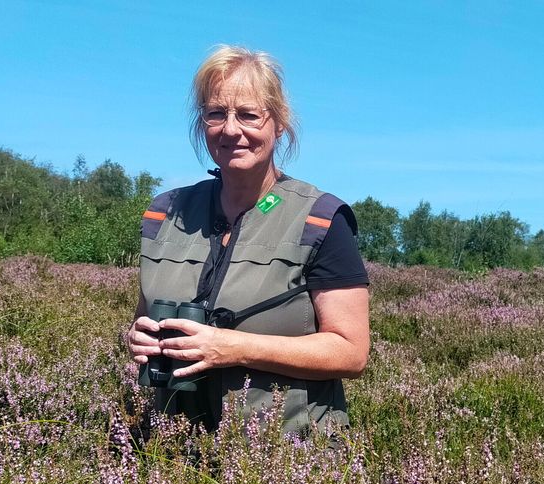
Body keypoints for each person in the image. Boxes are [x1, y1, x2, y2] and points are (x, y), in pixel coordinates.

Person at [126, 45, 370, 435]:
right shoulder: (164, 214)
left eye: (249, 115)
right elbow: (144, 313)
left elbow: (351, 352)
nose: (231, 129)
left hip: (287, 460)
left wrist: (233, 348)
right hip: (171, 455)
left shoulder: (321, 220)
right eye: (216, 113)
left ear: (279, 123)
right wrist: (137, 337)